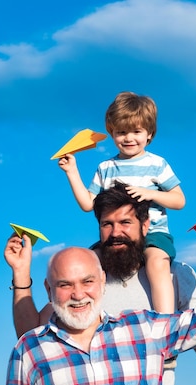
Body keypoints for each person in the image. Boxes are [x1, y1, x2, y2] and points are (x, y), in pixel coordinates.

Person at [4, 182, 196, 385]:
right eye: (107, 224)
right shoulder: (86, 284)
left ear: (145, 226)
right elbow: (33, 340)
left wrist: (171, 336)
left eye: (125, 223)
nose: (115, 233)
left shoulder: (175, 275)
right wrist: (20, 273)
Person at [57, 92, 185, 314]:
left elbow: (179, 200)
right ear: (112, 133)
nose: (128, 138)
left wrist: (149, 194)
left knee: (157, 263)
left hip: (153, 232)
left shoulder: (157, 164)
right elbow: (88, 203)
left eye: (136, 132)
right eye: (121, 132)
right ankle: (87, 318)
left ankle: (166, 320)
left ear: (149, 134)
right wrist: (71, 171)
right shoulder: (106, 168)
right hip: (116, 236)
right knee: (88, 262)